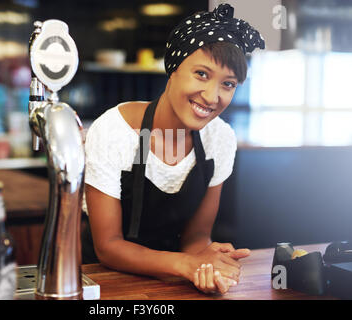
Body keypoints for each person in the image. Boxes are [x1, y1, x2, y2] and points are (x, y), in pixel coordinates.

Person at [81, 3, 265, 295]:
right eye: (202, 74)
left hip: (171, 286)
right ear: (174, 68)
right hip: (104, 284)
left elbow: (196, 237)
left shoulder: (220, 140)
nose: (211, 96)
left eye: (228, 83)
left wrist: (206, 265)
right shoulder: (116, 131)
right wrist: (187, 265)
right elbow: (108, 247)